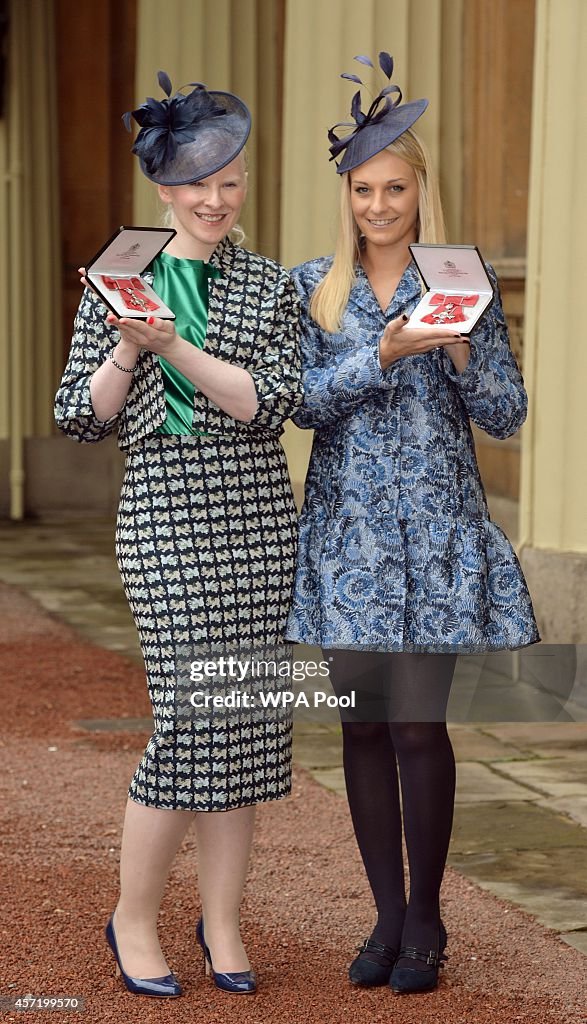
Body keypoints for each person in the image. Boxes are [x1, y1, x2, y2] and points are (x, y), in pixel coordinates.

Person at [286, 51, 539, 996]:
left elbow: (509, 415)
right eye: (363, 190)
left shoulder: (462, 280)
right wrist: (381, 355)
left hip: (435, 541)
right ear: (346, 196)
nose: (379, 206)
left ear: (420, 191)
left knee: (417, 732)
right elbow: (300, 407)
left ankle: (427, 922)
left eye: (394, 188)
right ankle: (383, 917)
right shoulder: (315, 288)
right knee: (359, 730)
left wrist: (466, 351)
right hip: (348, 543)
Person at [55, 71, 302, 998]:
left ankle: (224, 921)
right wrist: (125, 341)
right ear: (162, 190)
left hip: (256, 521)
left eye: (229, 181)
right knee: (192, 720)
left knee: (245, 723)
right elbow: (81, 417)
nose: (213, 199)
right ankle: (132, 917)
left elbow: (265, 403)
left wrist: (171, 346)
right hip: (164, 520)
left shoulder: (267, 284)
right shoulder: (122, 279)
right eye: (196, 184)